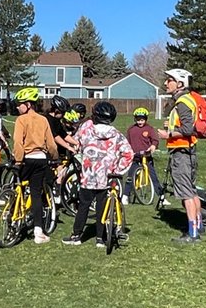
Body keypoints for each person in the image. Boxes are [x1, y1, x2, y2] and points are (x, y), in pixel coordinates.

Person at [62, 102, 134, 246]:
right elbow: (128, 154)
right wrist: (118, 170)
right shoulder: (116, 134)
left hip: (88, 175)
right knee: (102, 207)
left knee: (83, 206)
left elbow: (77, 144)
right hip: (107, 177)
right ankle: (100, 238)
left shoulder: (86, 129)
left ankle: (77, 235)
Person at [157, 68, 202, 243]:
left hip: (182, 152)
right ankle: (198, 226)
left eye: (170, 80)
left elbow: (187, 129)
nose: (166, 83)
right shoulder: (187, 100)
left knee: (186, 193)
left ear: (180, 83)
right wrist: (171, 126)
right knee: (192, 190)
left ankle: (192, 233)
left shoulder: (182, 102)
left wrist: (167, 134)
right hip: (188, 151)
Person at [11, 87, 57, 243]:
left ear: (28, 104)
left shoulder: (21, 120)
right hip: (41, 159)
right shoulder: (43, 120)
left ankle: (13, 217)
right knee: (36, 194)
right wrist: (54, 158)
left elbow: (18, 142)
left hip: (26, 158)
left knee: (17, 186)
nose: (18, 107)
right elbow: (51, 144)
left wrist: (18, 160)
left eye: (20, 104)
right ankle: (38, 232)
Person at [123, 107, 164, 206]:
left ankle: (161, 196)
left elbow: (155, 140)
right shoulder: (131, 129)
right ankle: (125, 195)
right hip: (135, 157)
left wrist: (153, 146)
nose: (140, 122)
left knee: (153, 177)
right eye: (138, 120)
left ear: (145, 119)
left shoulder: (149, 129)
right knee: (130, 177)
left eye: (142, 120)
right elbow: (127, 142)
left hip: (146, 157)